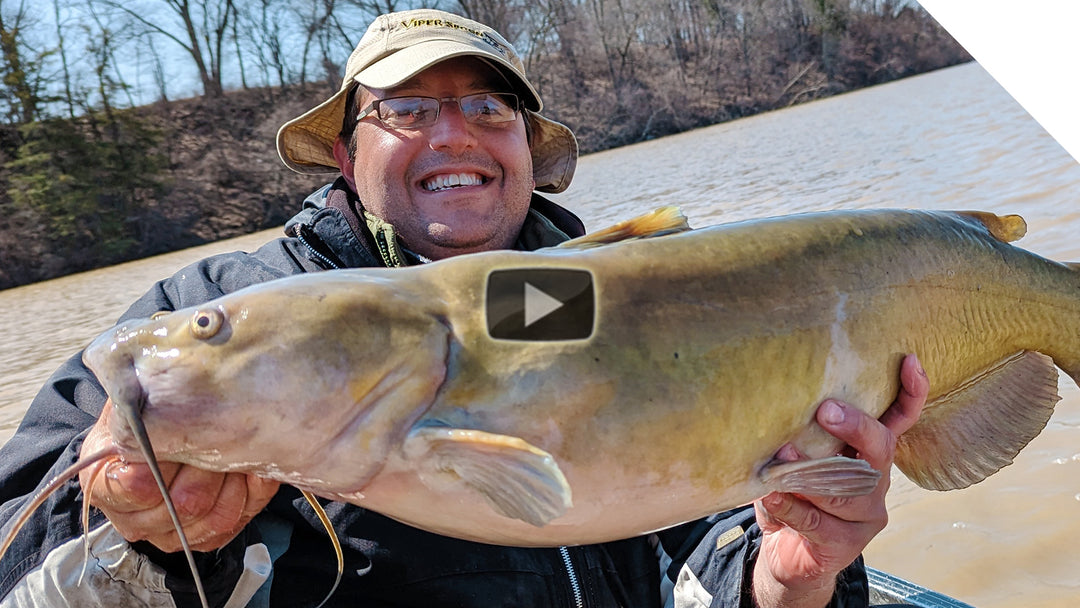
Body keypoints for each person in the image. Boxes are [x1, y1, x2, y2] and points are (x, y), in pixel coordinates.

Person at [0, 9, 927, 608]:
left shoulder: (620, 295)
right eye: (406, 108)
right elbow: (13, 553)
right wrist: (130, 533)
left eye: (490, 107)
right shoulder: (209, 316)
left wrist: (789, 581)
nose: (454, 133)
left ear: (527, 146)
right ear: (343, 154)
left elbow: (703, 549)